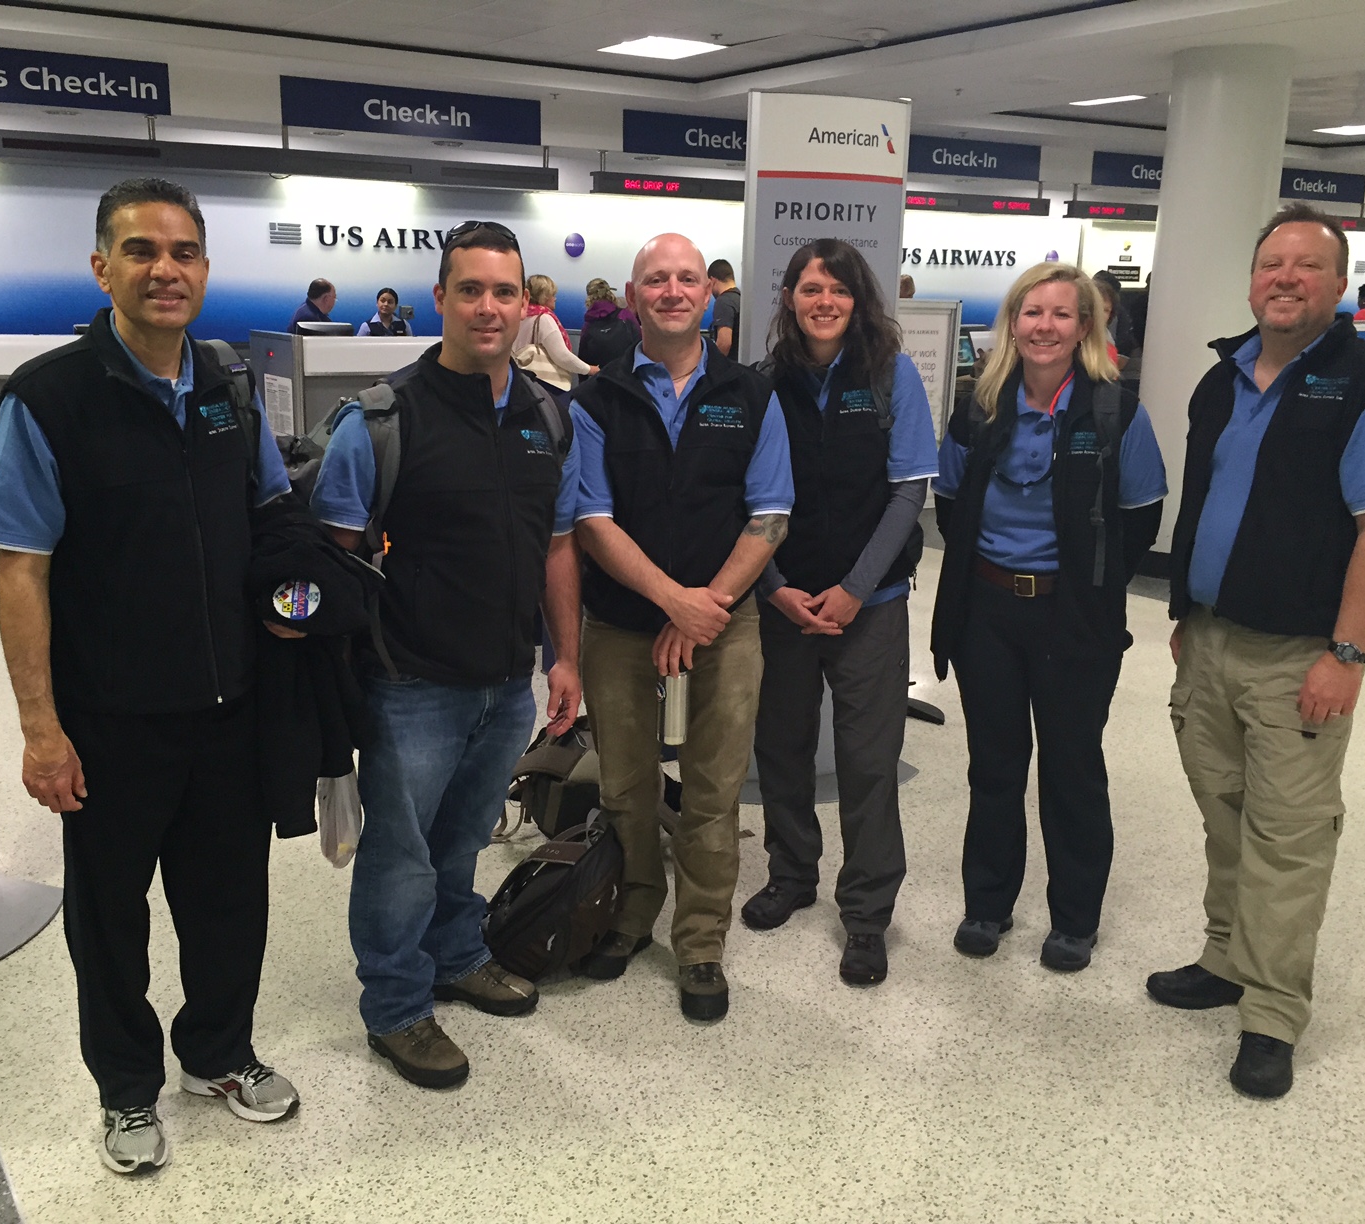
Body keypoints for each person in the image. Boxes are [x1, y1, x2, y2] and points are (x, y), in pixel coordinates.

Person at [0, 177, 300, 1175]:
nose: (167, 269)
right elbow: (22, 568)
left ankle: (218, 1050)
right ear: (103, 267)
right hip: (110, 720)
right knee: (109, 917)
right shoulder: (51, 396)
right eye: (142, 250)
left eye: (185, 251)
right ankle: (126, 1088)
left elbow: (274, 526)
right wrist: (40, 728)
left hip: (228, 710)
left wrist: (302, 616)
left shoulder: (229, 387)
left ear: (205, 267)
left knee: (229, 902)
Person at [1154, 203, 1365, 1099]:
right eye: (1273, 263)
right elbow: (1205, 499)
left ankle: (1271, 1013)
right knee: (1223, 808)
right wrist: (1189, 609)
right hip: (1214, 638)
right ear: (1252, 276)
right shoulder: (1221, 378)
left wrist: (1347, 654)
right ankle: (1225, 957)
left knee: (1289, 833)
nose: (1286, 279)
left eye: (1307, 266)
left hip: (1302, 652)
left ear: (1339, 285)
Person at [309, 221, 583, 1090]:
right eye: (472, 290)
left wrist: (564, 658)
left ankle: (458, 954)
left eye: (507, 292)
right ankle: (394, 1006)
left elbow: (558, 547)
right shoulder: (382, 418)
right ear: (441, 299)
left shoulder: (547, 416)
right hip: (411, 682)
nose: (490, 307)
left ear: (527, 305)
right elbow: (334, 557)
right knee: (402, 852)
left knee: (465, 834)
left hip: (507, 681)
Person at [570, 233, 794, 1022]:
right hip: (624, 625)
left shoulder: (751, 394)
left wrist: (706, 613)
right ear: (633, 299)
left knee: (713, 791)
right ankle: (633, 913)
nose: (672, 290)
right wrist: (675, 602)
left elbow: (770, 514)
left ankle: (700, 942)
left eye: (687, 279)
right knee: (626, 783)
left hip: (725, 627)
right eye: (656, 280)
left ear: (710, 295)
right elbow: (592, 519)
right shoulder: (595, 399)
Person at [931, 262, 1167, 974]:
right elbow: (950, 503)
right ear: (1012, 322)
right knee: (994, 766)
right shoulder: (978, 405)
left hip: (1073, 617)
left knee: (1071, 767)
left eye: (1062, 314)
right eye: (1032, 312)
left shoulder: (1114, 411)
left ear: (1086, 327)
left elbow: (1140, 516)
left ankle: (1074, 919)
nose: (1044, 327)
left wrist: (1089, 594)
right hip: (988, 612)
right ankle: (989, 903)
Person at [744, 239, 938, 987]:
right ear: (789, 298)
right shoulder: (764, 384)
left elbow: (906, 493)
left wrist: (856, 587)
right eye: (809, 288)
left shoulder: (889, 377)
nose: (823, 301)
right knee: (782, 749)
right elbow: (752, 500)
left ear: (860, 300)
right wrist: (776, 586)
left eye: (839, 290)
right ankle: (792, 875)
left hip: (873, 604)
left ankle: (866, 913)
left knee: (865, 761)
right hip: (783, 600)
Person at [514, 273, 595, 395]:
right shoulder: (544, 319)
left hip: (520, 381)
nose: (555, 298)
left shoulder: (519, 317)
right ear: (544, 297)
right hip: (544, 385)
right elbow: (562, 356)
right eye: (553, 295)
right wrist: (589, 369)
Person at [579, 277, 641, 368]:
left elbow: (583, 357)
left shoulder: (588, 325)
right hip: (626, 375)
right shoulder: (625, 315)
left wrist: (583, 381)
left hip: (599, 378)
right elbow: (640, 343)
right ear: (609, 293)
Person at [707, 258, 742, 357]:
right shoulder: (740, 299)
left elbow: (724, 343)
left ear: (712, 281)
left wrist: (712, 367)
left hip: (729, 366)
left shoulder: (723, 301)